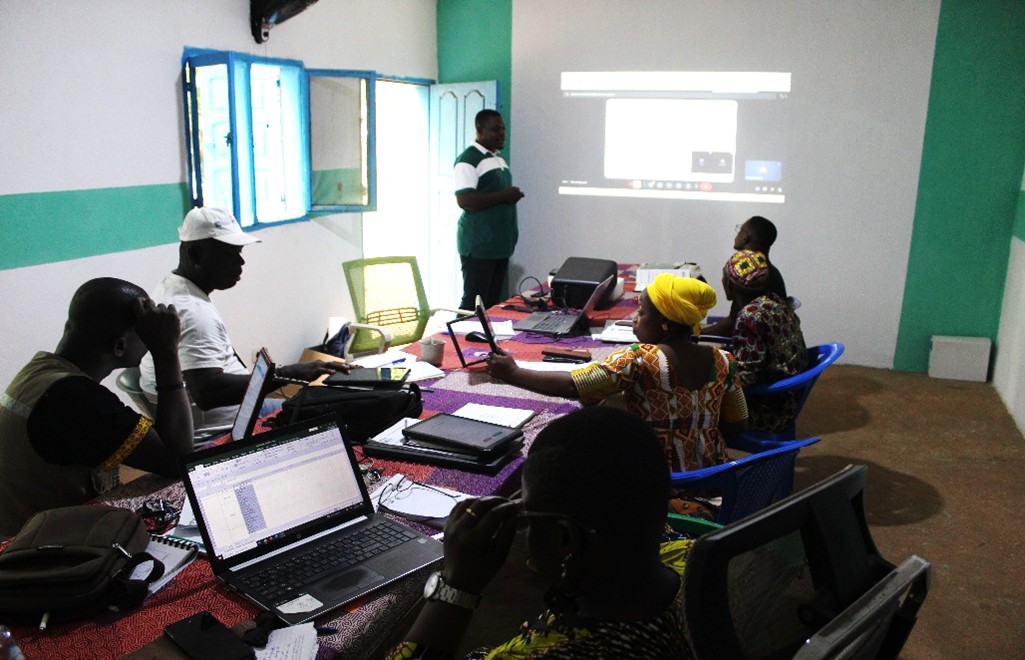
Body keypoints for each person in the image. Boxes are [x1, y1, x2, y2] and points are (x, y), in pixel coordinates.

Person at [386, 407, 694, 659]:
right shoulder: (690, 555)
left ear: (565, 539)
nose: (522, 527)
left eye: (527, 517)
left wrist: (455, 586)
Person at [487, 274, 747, 474]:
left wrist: (513, 372)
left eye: (642, 313)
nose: (635, 319)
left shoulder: (640, 358)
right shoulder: (724, 361)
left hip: (653, 484)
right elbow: (738, 423)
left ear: (665, 323)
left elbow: (573, 385)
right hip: (712, 480)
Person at [0, 278, 194, 537]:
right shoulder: (77, 399)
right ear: (119, 346)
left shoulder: (41, 370)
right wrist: (166, 351)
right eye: (145, 334)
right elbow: (178, 458)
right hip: (34, 546)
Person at [139, 207, 347, 439]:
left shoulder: (172, 287)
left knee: (326, 405)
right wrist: (288, 373)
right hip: (230, 429)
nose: (241, 261)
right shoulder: (192, 311)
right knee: (337, 415)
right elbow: (208, 393)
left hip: (241, 413)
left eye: (239, 252)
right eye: (229, 254)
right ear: (195, 255)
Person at [721, 249, 808, 434]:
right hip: (787, 400)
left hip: (766, 410)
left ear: (728, 285)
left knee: (698, 405)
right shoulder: (775, 301)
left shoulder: (750, 317)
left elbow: (745, 377)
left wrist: (708, 373)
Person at [454, 109, 525, 310]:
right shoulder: (468, 159)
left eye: (503, 128)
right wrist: (504, 195)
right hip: (479, 245)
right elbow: (465, 200)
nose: (502, 133)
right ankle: (458, 331)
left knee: (492, 304)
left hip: (499, 245)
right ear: (479, 130)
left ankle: (484, 332)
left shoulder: (498, 159)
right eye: (495, 129)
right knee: (473, 303)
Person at [704, 215, 788, 337]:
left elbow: (734, 323)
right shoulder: (773, 272)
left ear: (745, 237)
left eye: (740, 230)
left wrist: (695, 334)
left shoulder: (747, 274)